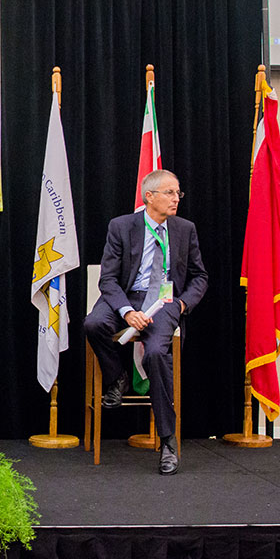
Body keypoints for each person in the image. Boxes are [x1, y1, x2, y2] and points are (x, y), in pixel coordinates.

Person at [84, 169, 207, 475]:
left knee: (155, 354)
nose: (176, 199)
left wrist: (182, 304)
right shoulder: (121, 226)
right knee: (93, 324)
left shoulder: (185, 229)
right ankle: (117, 377)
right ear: (149, 197)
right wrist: (127, 311)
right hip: (126, 296)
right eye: (170, 193)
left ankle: (167, 441)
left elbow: (200, 276)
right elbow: (108, 279)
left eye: (178, 193)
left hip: (164, 302)